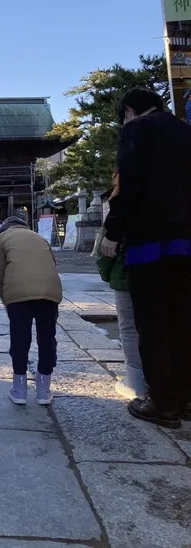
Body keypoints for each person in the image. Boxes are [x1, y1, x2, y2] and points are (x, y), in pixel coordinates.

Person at [102, 87, 191, 429]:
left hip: (150, 240)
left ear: (129, 110)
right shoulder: (185, 131)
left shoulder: (137, 130)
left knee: (151, 324)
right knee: (182, 320)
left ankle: (163, 402)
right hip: (186, 242)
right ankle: (185, 398)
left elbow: (130, 185)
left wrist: (113, 231)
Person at [0, 214, 62, 405]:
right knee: (47, 338)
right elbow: (52, 264)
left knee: (20, 339)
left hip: (18, 294)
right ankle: (43, 390)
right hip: (49, 291)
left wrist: (6, 299)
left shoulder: (0, 239)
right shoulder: (39, 237)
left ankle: (20, 389)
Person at [95, 176, 145, 401]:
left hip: (130, 263)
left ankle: (136, 382)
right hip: (171, 262)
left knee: (128, 327)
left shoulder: (125, 196)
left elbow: (104, 249)